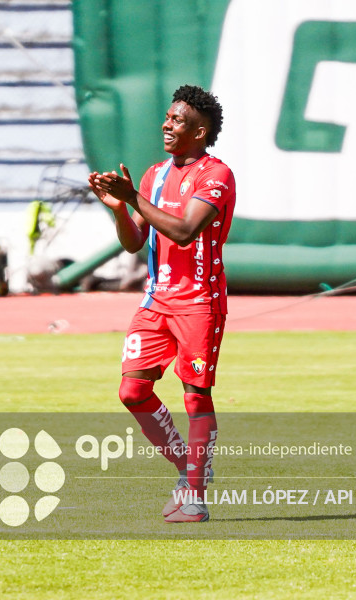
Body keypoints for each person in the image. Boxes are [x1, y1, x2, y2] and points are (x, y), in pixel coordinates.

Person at [88, 85, 236, 523]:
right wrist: (119, 207)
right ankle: (191, 469)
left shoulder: (217, 175)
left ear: (200, 130)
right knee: (131, 390)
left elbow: (186, 230)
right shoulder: (154, 174)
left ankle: (193, 495)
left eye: (176, 120)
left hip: (198, 302)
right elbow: (135, 242)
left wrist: (134, 198)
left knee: (195, 395)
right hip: (156, 301)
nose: (166, 125)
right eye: (167, 118)